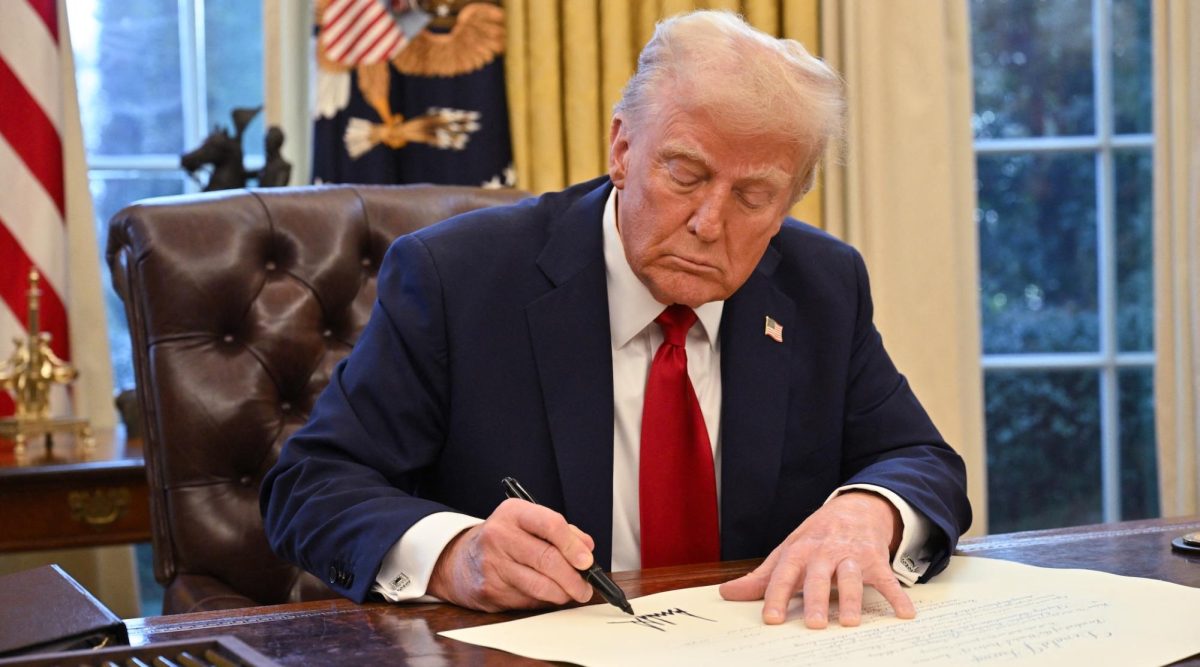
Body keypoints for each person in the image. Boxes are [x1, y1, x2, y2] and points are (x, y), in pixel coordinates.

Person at [261, 9, 971, 630]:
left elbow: (921, 460)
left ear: (789, 202)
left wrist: (868, 511)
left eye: (754, 196)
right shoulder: (459, 278)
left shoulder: (822, 284)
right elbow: (312, 485)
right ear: (622, 148)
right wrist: (454, 554)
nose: (706, 222)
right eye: (686, 175)